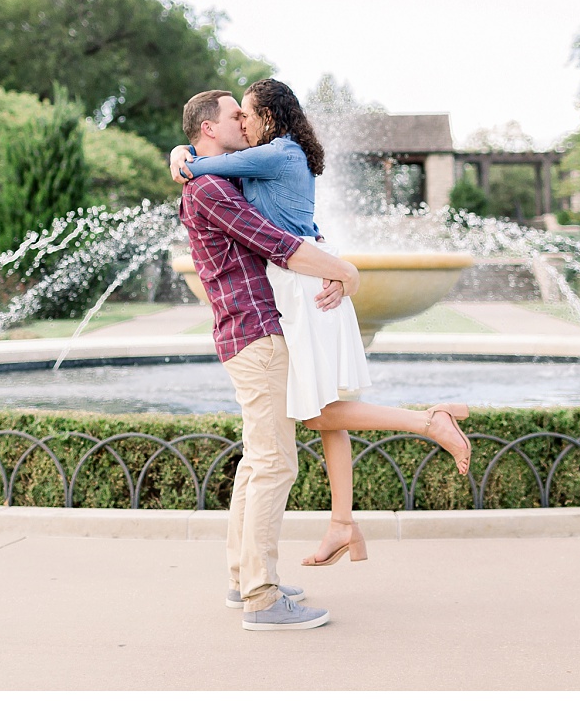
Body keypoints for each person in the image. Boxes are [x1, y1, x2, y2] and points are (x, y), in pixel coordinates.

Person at [174, 80, 471, 572]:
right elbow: (206, 166)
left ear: (267, 116)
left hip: (304, 284)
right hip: (305, 282)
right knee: (329, 409)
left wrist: (182, 155)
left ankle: (428, 421)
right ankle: (341, 524)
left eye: (246, 115)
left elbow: (203, 168)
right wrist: (182, 148)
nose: (242, 124)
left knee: (319, 414)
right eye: (235, 117)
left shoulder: (275, 154)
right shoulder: (271, 157)